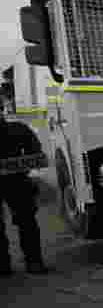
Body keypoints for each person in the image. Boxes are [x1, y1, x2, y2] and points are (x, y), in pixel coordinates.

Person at [0, 109, 49, 276]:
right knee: (26, 222)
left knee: (26, 221)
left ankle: (4, 265)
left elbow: (36, 154)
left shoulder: (18, 129)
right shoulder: (18, 129)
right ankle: (33, 262)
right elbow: (35, 153)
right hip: (18, 181)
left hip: (18, 181)